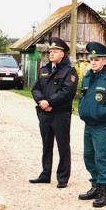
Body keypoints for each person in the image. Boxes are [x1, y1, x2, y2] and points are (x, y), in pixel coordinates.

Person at [77, 42, 106, 208]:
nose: (93, 62)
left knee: (101, 157)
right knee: (88, 156)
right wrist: (82, 109)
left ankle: (103, 192)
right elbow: (83, 96)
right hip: (88, 124)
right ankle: (95, 186)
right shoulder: (88, 76)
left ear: (104, 61)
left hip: (102, 125)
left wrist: (100, 112)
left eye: (97, 59)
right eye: (92, 59)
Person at [29, 37, 79, 188]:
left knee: (63, 146)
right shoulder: (44, 70)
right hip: (44, 113)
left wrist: (49, 102)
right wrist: (42, 103)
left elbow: (67, 92)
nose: (51, 54)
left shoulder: (69, 71)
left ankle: (62, 178)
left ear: (62, 53)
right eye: (50, 51)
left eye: (55, 51)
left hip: (60, 114)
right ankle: (45, 174)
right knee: (46, 144)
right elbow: (35, 88)